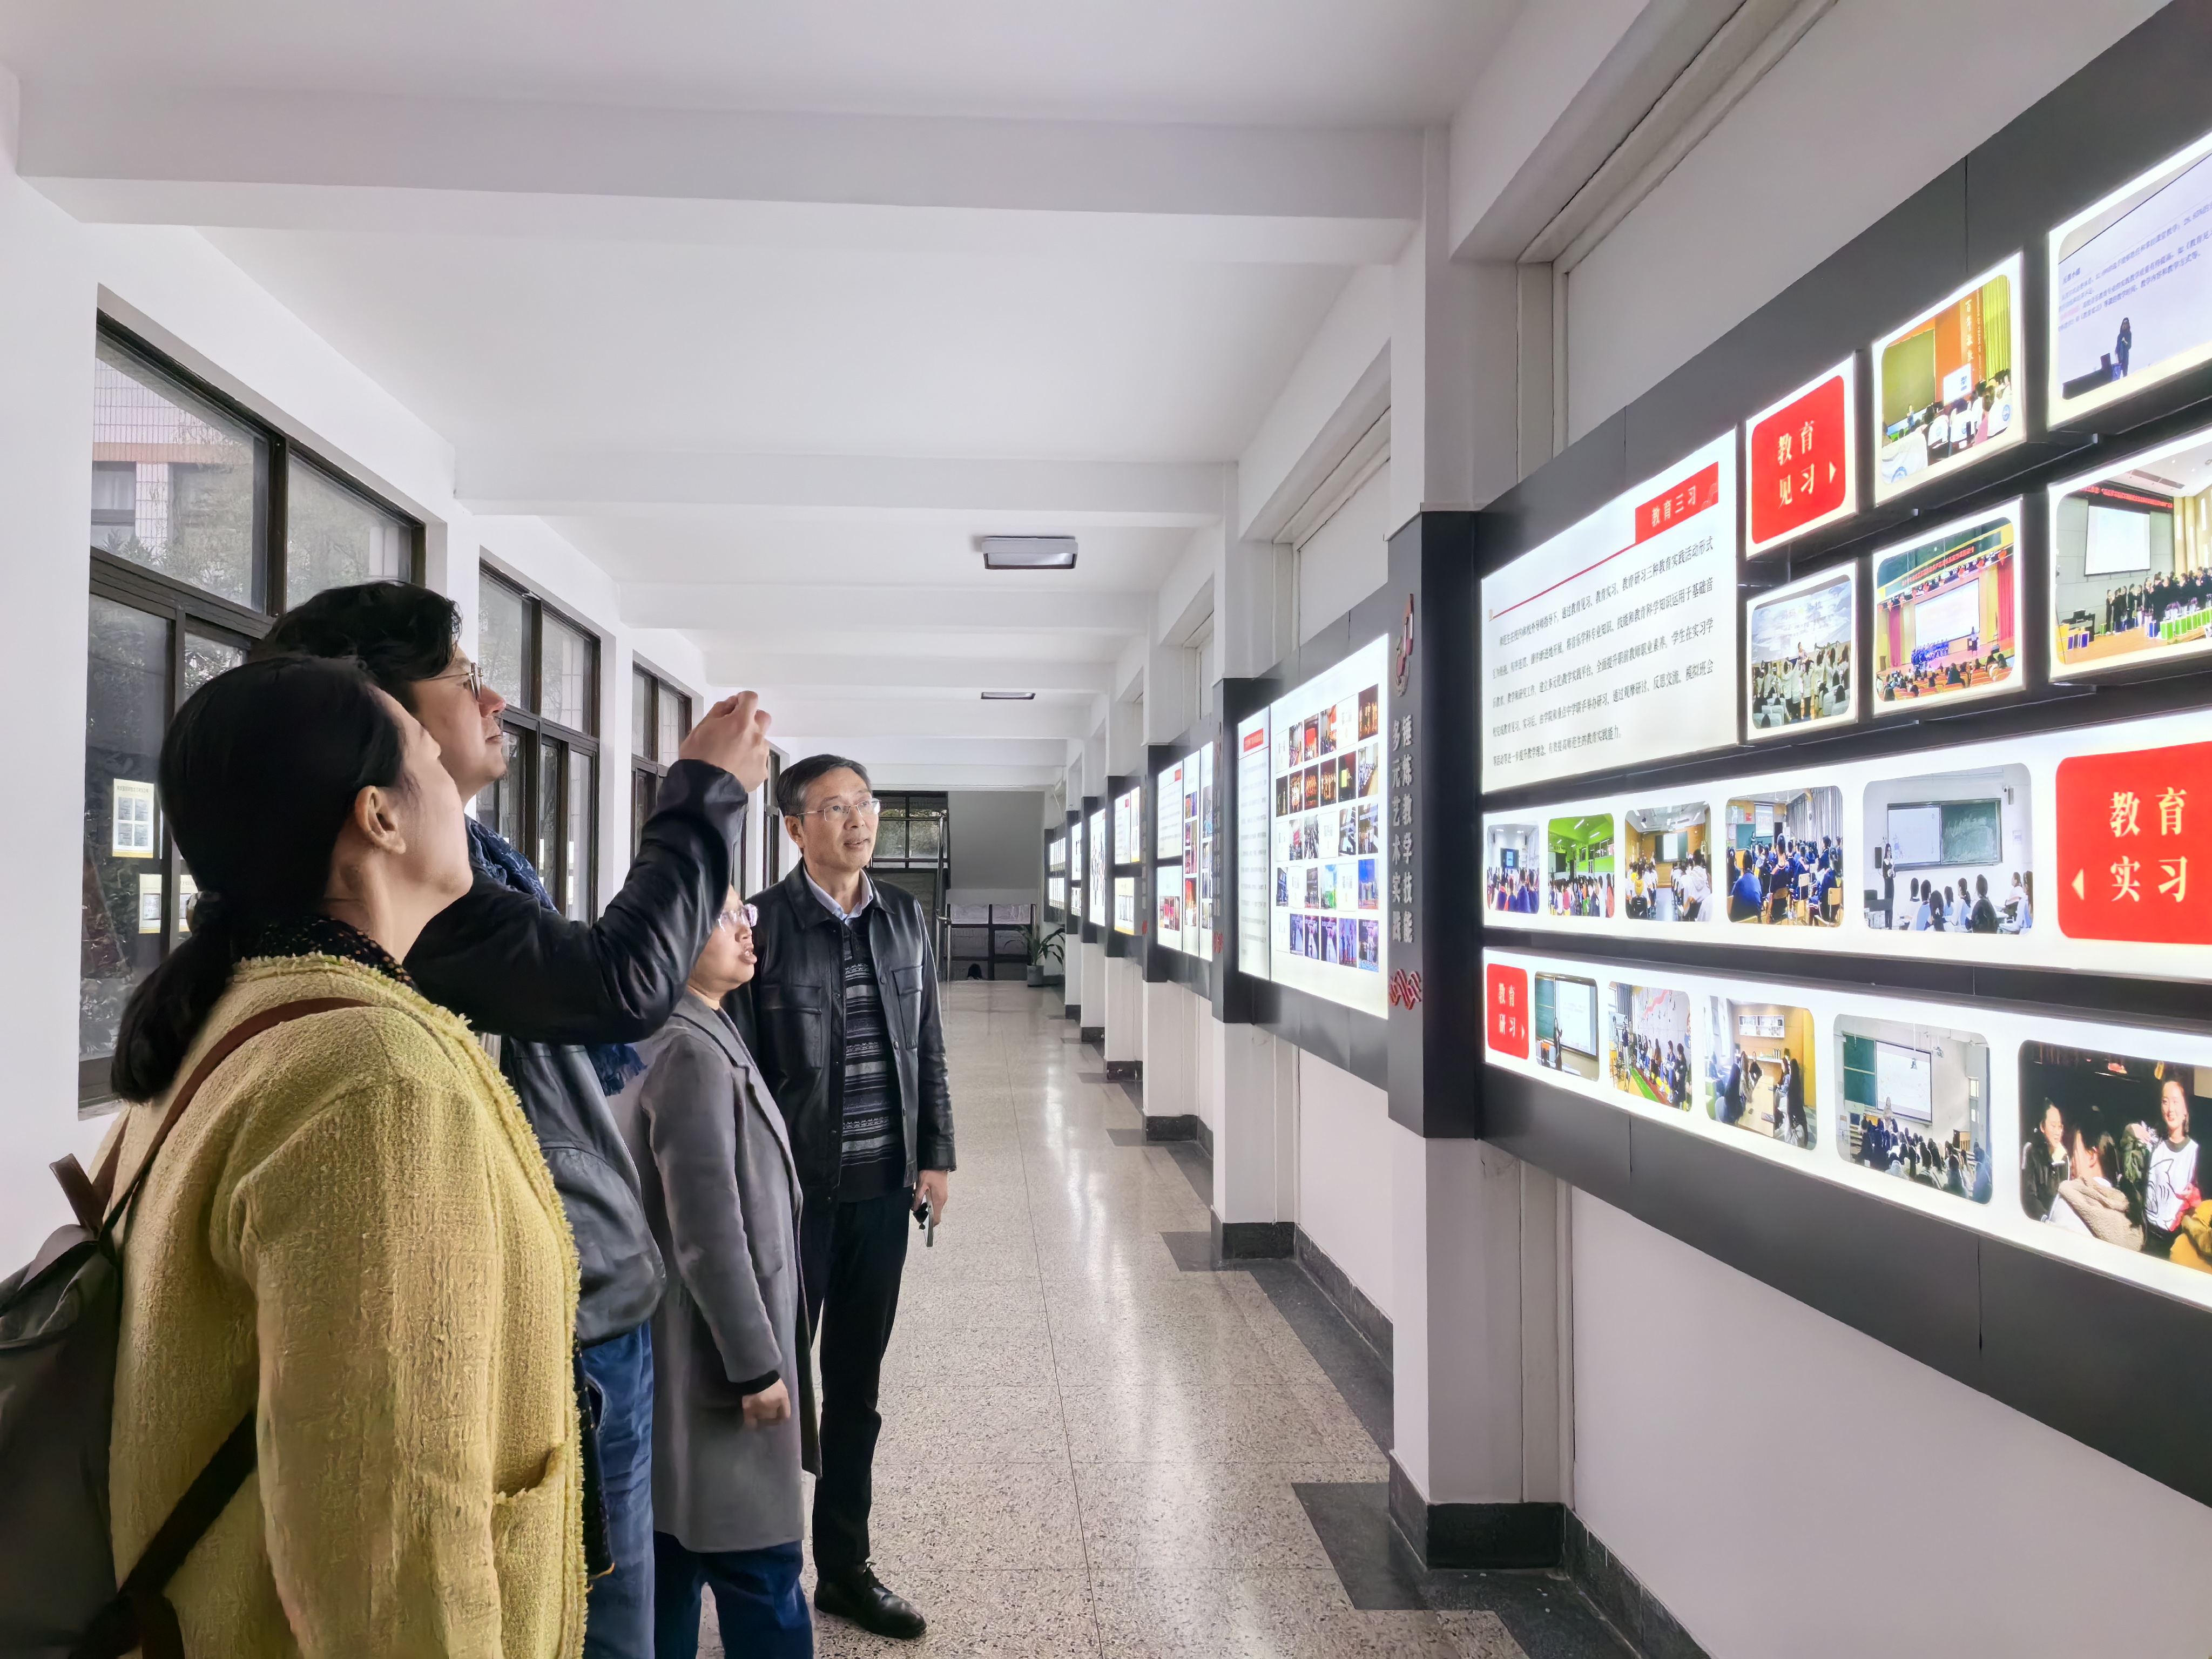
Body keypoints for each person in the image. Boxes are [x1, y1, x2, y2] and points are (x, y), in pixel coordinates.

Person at [258, 582, 771, 1658]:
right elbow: (616, 983)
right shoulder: (401, 906)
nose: (496, 702)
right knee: (596, 1625)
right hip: (555, 1326)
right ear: (380, 739)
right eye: (462, 680)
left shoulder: (461, 867)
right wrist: (701, 796)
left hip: (585, 1299)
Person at [103, 656, 583, 1654]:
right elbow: (395, 1538)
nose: (457, 786)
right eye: (431, 760)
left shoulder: (238, 1017)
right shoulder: (376, 1081)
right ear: (380, 817)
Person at [742, 754, 956, 1641]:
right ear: (796, 828)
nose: (858, 820)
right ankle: (759, 1570)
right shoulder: (761, 924)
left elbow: (927, 1041)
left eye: (863, 804)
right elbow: (741, 1073)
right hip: (791, 1201)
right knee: (768, 1391)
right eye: (835, 808)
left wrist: (936, 1154)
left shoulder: (903, 915)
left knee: (856, 1391)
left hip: (881, 1193)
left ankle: (844, 1569)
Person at [621, 894, 818, 1659]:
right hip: (718, 1362)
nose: (746, 927)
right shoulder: (690, 1051)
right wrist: (757, 1366)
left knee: (672, 1552)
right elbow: (707, 1232)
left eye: (746, 914)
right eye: (723, 915)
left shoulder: (688, 1026)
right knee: (757, 1567)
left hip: (684, 1347)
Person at [2132, 1078, 2201, 1260]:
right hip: (2145, 1234)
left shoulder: (2195, 1152)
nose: (2170, 1109)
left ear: (2186, 1110)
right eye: (2165, 1101)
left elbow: (2201, 1205)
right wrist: (2130, 1129)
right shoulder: (2153, 1142)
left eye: (2176, 1102)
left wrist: (2194, 1199)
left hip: (2174, 1242)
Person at [2051, 1129, 2142, 1251]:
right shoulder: (2128, 1214)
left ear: (2092, 1157)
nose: (2071, 1163)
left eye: (2074, 1153)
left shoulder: (2068, 1203)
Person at [2022, 1103, 2069, 1222]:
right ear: (2042, 1127)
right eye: (2053, 1126)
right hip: (2036, 1221)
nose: (2057, 1132)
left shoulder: (2064, 1158)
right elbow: (2029, 1195)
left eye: (2060, 1127)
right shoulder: (2031, 1151)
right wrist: (2044, 1218)